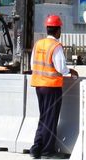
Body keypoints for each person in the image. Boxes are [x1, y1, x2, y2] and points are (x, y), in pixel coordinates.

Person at [30, 15, 78, 160]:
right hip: (51, 86)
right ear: (58, 31)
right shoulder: (56, 46)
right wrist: (71, 71)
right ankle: (47, 152)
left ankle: (36, 148)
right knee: (50, 119)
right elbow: (61, 68)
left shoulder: (39, 44)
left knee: (44, 117)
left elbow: (33, 65)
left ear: (47, 29)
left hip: (39, 85)